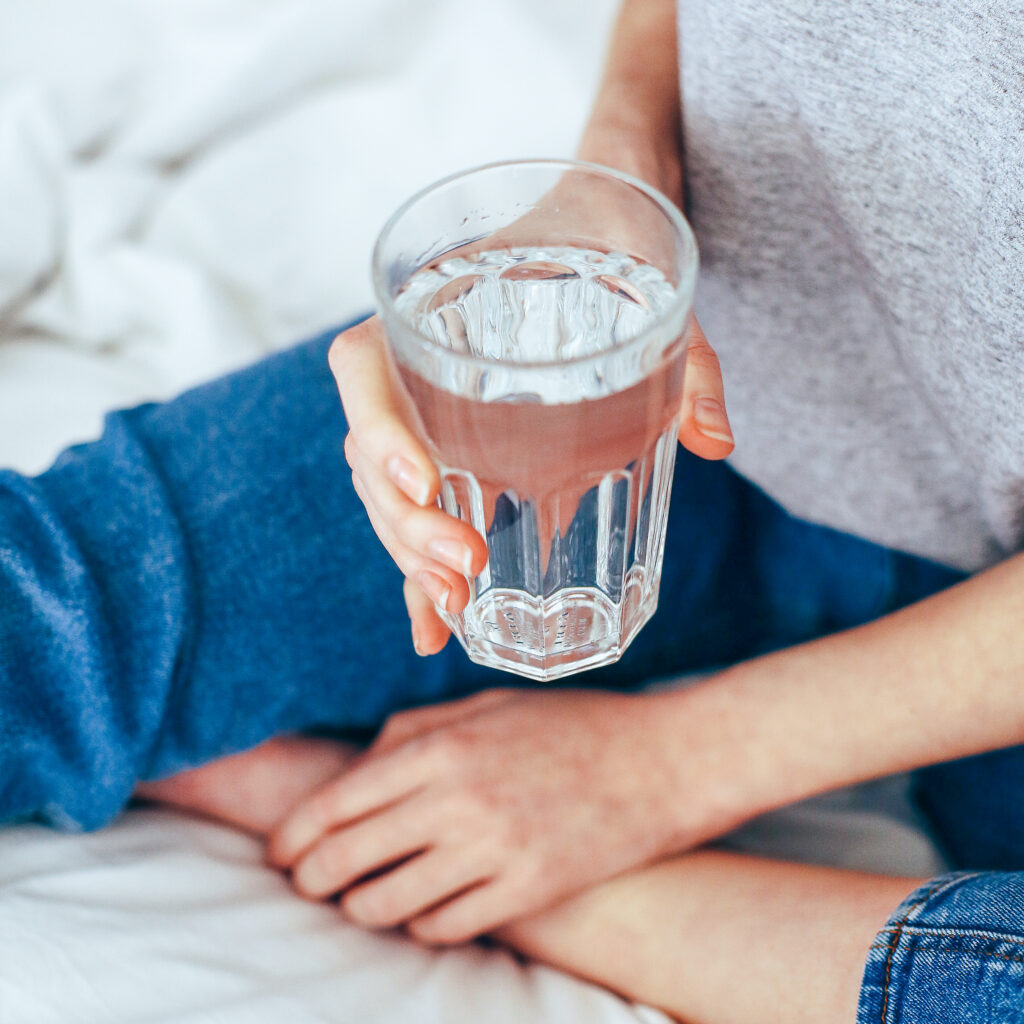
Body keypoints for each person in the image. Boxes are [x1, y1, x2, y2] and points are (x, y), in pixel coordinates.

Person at [2, 0, 1022, 1020]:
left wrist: (666, 768)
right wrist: (619, 174)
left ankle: (419, 841)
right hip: (692, 384)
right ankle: (443, 837)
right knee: (43, 619)